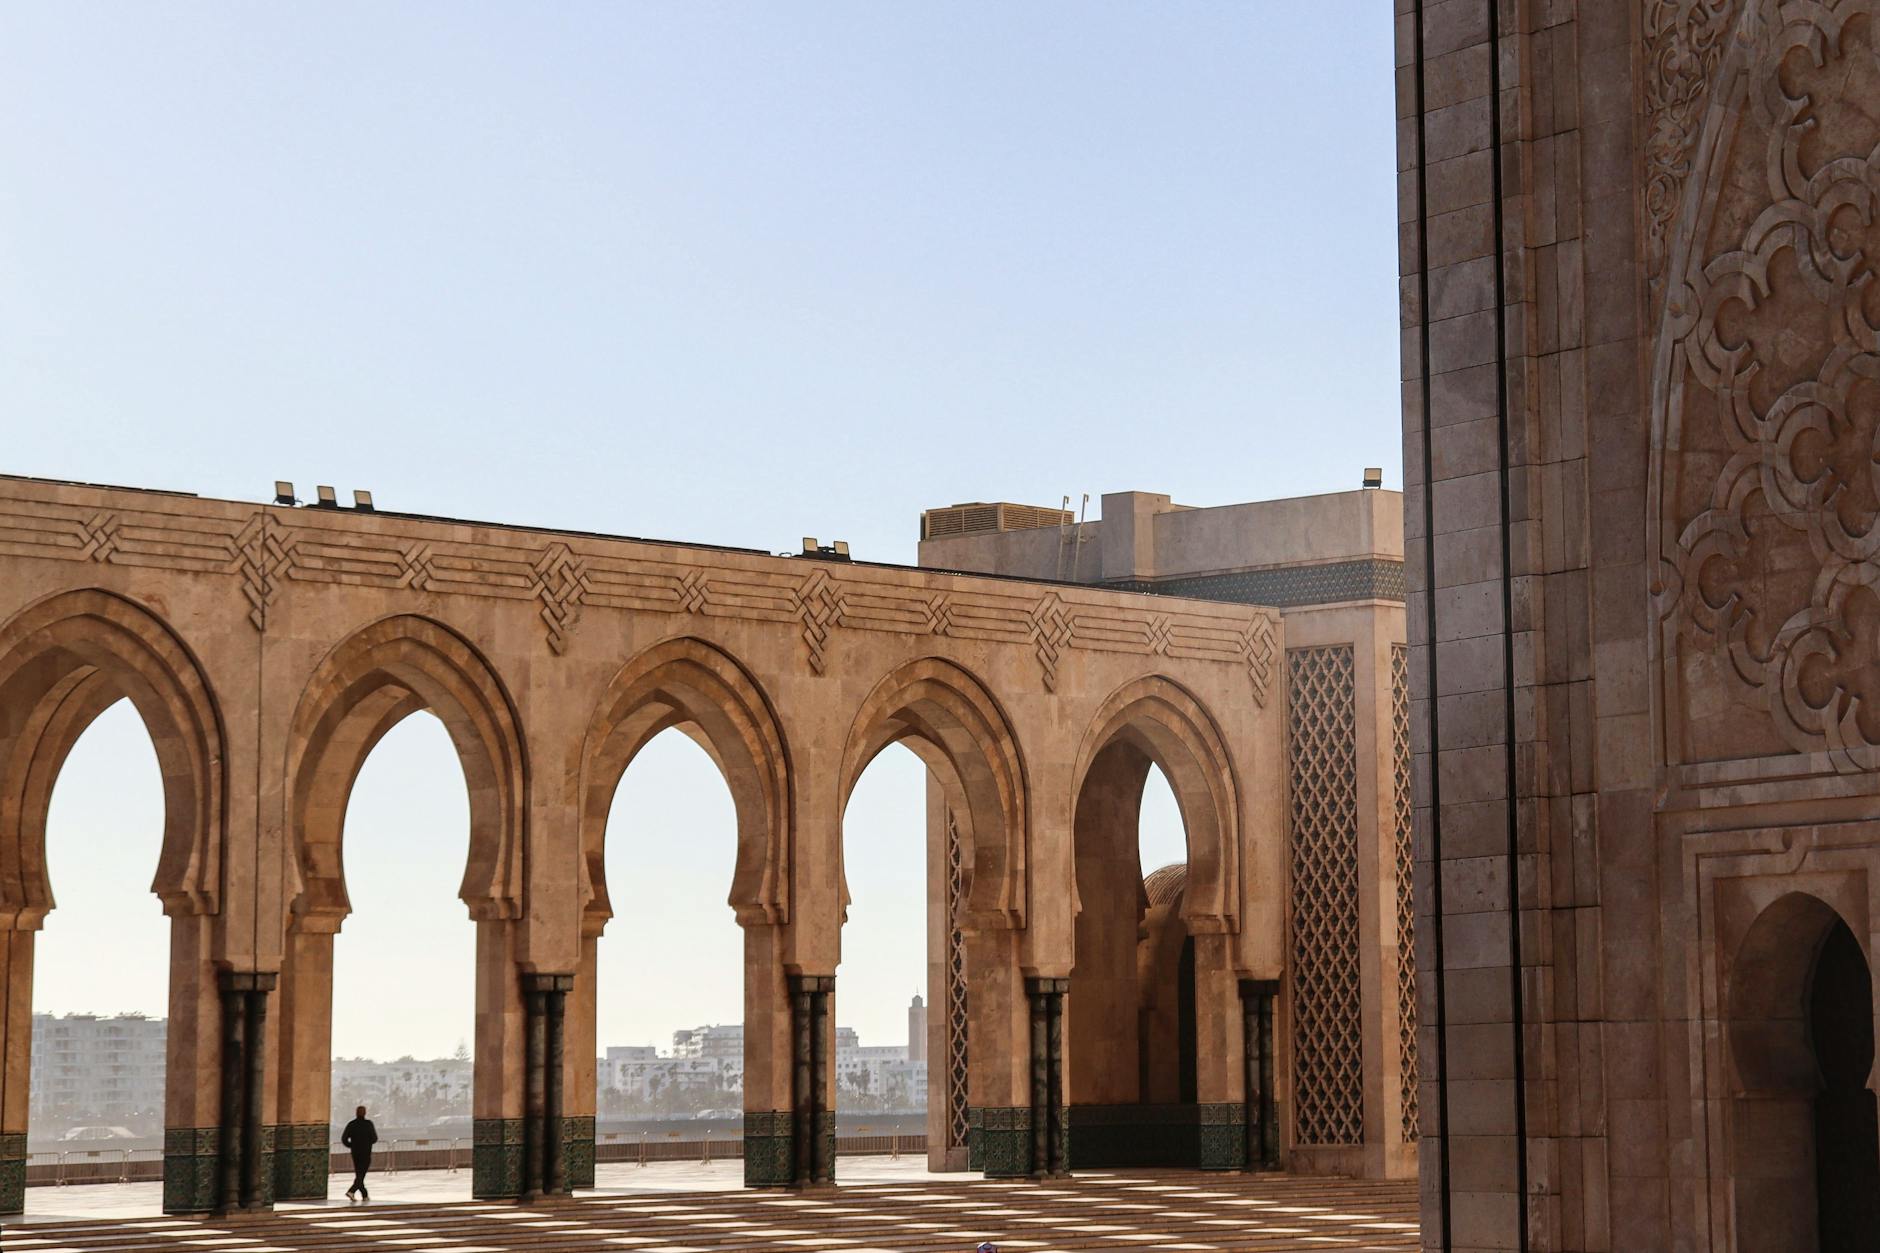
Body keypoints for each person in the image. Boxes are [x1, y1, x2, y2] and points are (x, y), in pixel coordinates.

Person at [341, 1104, 378, 1202]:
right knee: (362, 1174)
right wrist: (367, 1143)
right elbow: (374, 1138)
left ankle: (365, 1195)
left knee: (359, 1174)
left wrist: (352, 1145)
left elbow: (344, 1138)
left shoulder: (351, 1124)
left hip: (355, 1153)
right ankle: (351, 1191)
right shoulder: (368, 1124)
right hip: (366, 1152)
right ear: (365, 1113)